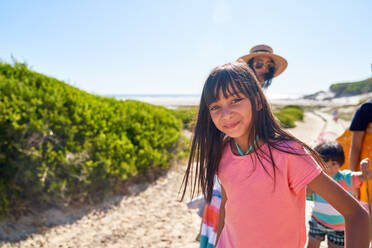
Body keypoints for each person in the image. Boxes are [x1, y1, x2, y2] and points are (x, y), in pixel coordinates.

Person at [180, 61, 369, 247]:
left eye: (235, 100)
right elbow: (227, 206)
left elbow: (357, 215)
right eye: (215, 107)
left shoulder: (288, 154)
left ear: (258, 101)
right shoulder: (222, 152)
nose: (225, 114)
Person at [198, 44, 288, 248]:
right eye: (258, 64)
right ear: (247, 67)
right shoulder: (232, 95)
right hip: (229, 160)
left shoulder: (262, 97)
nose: (264, 69)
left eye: (269, 66)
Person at [307, 141, 371, 248]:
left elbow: (363, 177)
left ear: (340, 163)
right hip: (317, 220)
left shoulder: (346, 177)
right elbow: (306, 193)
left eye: (334, 163)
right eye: (325, 162)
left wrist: (365, 172)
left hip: (339, 226)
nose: (329, 167)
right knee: (312, 245)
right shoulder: (317, 178)